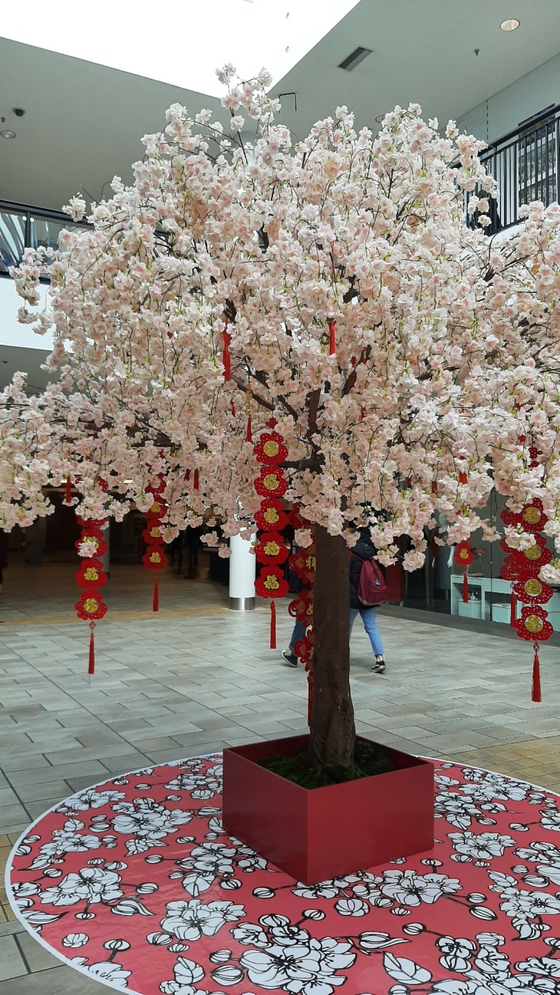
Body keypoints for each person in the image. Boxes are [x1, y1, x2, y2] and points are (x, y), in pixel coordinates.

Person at [349, 534, 386, 674]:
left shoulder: (352, 557)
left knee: (347, 627)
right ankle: (380, 658)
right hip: (369, 599)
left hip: (353, 599)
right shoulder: (372, 557)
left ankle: (343, 655)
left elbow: (348, 579)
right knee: (372, 627)